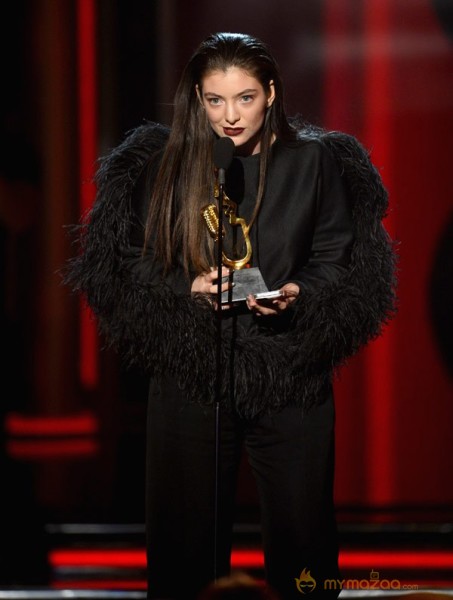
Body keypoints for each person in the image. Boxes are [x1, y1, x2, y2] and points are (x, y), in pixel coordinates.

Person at [64, 32, 397, 599]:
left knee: (303, 543)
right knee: (184, 545)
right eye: (215, 100)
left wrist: (297, 292)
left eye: (244, 98)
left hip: (288, 368)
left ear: (270, 93)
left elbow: (336, 257)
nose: (230, 116)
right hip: (194, 370)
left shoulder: (312, 161)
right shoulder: (165, 165)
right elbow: (127, 261)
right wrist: (187, 283)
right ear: (196, 99)